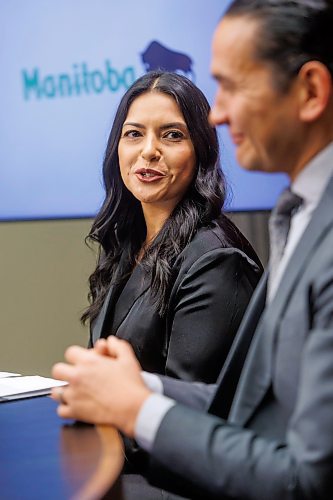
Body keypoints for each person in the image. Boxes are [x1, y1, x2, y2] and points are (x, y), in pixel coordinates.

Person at [52, 1, 333, 498]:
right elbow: (249, 404)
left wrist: (133, 406)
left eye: (233, 86)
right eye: (133, 134)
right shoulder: (296, 216)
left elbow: (302, 472)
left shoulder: (218, 257)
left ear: (310, 91)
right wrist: (131, 389)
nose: (219, 113)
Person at [82, 70, 262, 383]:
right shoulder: (126, 241)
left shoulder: (217, 260)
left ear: (200, 151)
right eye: (134, 134)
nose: (148, 150)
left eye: (172, 135)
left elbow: (193, 406)